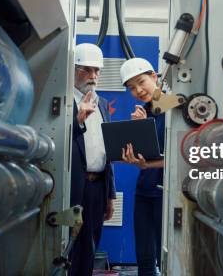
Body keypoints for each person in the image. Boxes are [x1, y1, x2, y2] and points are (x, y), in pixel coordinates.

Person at [69, 43, 116, 276]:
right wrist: (77, 120)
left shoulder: (103, 105)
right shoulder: (65, 102)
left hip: (98, 187)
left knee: (91, 245)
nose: (93, 76)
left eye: (97, 70)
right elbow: (55, 141)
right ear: (73, 69)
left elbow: (107, 153)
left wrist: (110, 194)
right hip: (74, 187)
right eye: (87, 70)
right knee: (70, 245)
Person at [119, 58, 165, 276]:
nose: (138, 90)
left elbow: (179, 156)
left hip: (164, 192)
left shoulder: (173, 107)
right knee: (144, 257)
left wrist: (147, 163)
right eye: (131, 88)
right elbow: (145, 154)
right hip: (144, 190)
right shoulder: (145, 111)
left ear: (154, 77)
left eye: (141, 82)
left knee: (164, 254)